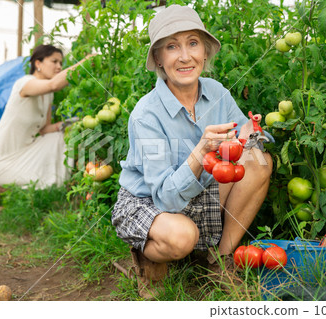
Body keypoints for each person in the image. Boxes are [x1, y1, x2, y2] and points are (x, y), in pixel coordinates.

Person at [111, 5, 273, 299]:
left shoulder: (217, 92)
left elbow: (245, 130)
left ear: (205, 52)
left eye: (193, 43)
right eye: (172, 46)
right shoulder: (146, 115)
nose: (185, 56)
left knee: (259, 161)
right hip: (148, 201)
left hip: (195, 192)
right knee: (182, 237)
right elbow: (165, 198)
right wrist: (200, 150)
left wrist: (252, 133)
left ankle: (219, 260)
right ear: (159, 58)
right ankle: (150, 255)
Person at [0, 45, 91, 214]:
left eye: (61, 63)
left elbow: (44, 129)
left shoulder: (47, 95)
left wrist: (70, 124)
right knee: (46, 173)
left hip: (21, 153)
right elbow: (54, 85)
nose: (59, 66)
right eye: (54, 61)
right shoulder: (25, 83)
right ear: (38, 63)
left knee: (59, 138)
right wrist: (85, 63)